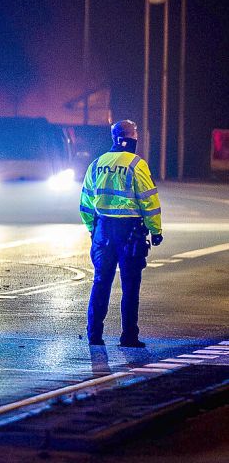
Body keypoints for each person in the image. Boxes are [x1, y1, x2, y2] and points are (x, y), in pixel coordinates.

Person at [80, 120, 162, 348]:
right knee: (130, 285)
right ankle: (128, 336)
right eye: (135, 134)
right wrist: (156, 230)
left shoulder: (97, 163)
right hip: (129, 233)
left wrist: (92, 229)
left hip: (102, 231)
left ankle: (94, 334)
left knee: (101, 281)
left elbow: (85, 202)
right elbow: (149, 201)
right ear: (128, 138)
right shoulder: (137, 164)